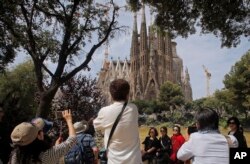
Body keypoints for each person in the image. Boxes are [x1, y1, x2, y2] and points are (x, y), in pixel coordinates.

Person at [93, 79, 142, 164]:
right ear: (128, 94)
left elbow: (96, 126)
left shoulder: (105, 111)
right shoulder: (133, 109)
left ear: (111, 95)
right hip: (135, 161)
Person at [8, 110, 76, 164]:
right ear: (38, 137)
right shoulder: (46, 156)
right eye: (40, 131)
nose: (42, 132)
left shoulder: (15, 156)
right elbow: (72, 140)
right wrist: (69, 120)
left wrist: (56, 147)